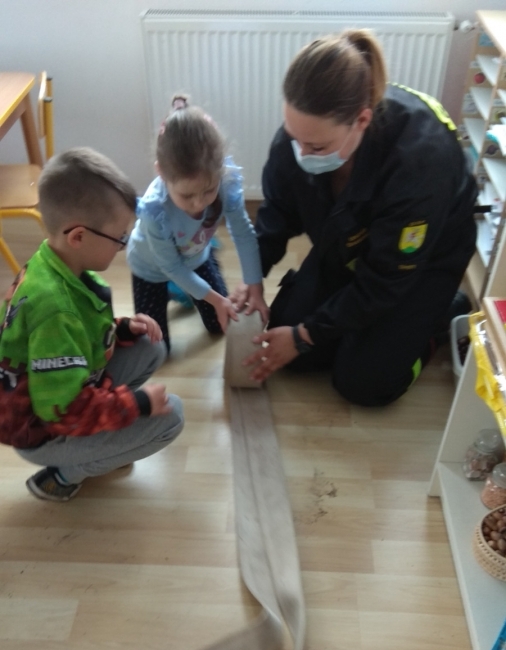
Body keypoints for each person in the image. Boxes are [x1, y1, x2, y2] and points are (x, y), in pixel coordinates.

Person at [238, 30, 477, 406]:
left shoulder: (420, 164)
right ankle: (362, 334)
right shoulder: (303, 133)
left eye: (317, 146)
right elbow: (278, 212)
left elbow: (385, 278)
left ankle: (442, 315)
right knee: (293, 353)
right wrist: (253, 276)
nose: (300, 153)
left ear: (362, 121)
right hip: (351, 241)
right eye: (293, 136)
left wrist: (305, 335)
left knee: (364, 385)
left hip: (419, 263)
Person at [0, 147, 184, 501]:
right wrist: (136, 405)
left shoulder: (56, 263)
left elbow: (77, 331)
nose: (122, 246)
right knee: (171, 417)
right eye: (119, 238)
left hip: (63, 387)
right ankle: (60, 476)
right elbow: (63, 412)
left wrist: (121, 329)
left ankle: (99, 445)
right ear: (78, 237)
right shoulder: (54, 310)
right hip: (45, 431)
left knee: (151, 345)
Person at [127, 95, 269, 351]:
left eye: (208, 190)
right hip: (150, 269)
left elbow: (244, 234)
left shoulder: (226, 182)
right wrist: (214, 297)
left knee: (219, 324)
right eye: (187, 195)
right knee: (157, 349)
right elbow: (170, 265)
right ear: (161, 173)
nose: (199, 203)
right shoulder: (154, 210)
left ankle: (193, 274)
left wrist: (255, 286)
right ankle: (178, 287)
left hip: (194, 258)